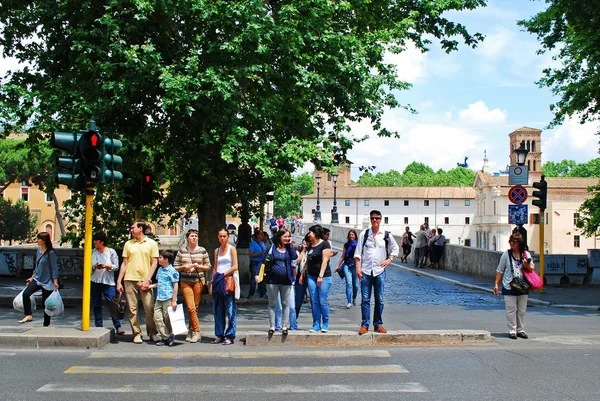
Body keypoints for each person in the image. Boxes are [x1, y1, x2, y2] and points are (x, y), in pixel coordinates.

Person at [355, 210, 399, 335]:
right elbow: (358, 253)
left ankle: (378, 324)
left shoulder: (385, 235)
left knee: (379, 299)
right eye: (373, 218)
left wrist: (389, 260)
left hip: (379, 271)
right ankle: (365, 324)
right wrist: (358, 268)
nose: (375, 220)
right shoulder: (364, 234)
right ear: (370, 219)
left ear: (380, 220)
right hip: (366, 270)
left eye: (377, 218)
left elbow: (395, 248)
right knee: (365, 299)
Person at [116, 220, 160, 344]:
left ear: (140, 228)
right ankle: (136, 333)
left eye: (133, 227)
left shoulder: (151, 243)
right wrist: (119, 281)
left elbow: (154, 263)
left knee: (149, 308)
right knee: (132, 309)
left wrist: (148, 279)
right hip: (129, 279)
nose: (131, 229)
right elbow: (124, 263)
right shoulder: (128, 244)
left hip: (145, 280)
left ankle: (152, 332)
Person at [493, 233, 534, 340]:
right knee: (511, 310)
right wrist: (496, 284)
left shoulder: (526, 254)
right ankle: (512, 330)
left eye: (514, 242)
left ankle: (521, 330)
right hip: (509, 285)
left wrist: (526, 265)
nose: (511, 243)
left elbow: (532, 268)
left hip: (523, 285)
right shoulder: (506, 254)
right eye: (510, 241)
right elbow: (500, 270)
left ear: (519, 243)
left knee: (521, 310)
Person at [174, 229, 211, 343]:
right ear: (187, 238)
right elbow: (175, 266)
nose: (194, 238)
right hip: (185, 281)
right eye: (192, 236)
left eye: (196, 236)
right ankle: (197, 331)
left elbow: (208, 266)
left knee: (195, 308)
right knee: (190, 307)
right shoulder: (182, 251)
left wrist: (198, 266)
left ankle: (191, 330)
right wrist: (184, 266)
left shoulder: (202, 250)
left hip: (198, 281)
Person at [260, 229, 298, 335]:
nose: (287, 238)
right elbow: (263, 261)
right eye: (285, 236)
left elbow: (294, 257)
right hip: (272, 280)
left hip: (286, 280)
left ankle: (284, 326)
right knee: (272, 304)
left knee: (286, 304)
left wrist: (289, 245)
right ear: (279, 237)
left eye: (288, 237)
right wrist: (258, 275)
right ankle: (272, 326)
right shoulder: (271, 248)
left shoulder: (289, 248)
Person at [19, 232, 59, 325]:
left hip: (47, 282)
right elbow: (37, 267)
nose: (37, 240)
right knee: (26, 294)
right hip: (37, 279)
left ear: (44, 241)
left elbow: (54, 269)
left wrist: (55, 282)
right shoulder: (38, 251)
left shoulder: (51, 253)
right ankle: (28, 314)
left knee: (46, 304)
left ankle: (46, 324)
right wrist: (31, 278)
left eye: (39, 239)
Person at [91, 232, 124, 334]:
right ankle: (98, 325)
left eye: (96, 241)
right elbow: (88, 266)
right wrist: (95, 267)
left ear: (101, 242)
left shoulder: (111, 252)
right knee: (96, 304)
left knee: (113, 303)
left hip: (108, 281)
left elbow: (116, 266)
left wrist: (107, 266)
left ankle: (117, 325)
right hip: (95, 280)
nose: (94, 243)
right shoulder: (92, 252)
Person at [211, 228, 239, 345]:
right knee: (218, 309)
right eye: (220, 236)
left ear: (228, 237)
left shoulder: (232, 249)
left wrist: (223, 275)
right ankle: (219, 335)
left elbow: (235, 266)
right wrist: (212, 281)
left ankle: (230, 335)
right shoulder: (216, 251)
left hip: (227, 280)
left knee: (231, 309)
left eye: (224, 236)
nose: (222, 238)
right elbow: (215, 267)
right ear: (218, 237)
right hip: (218, 281)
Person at [305, 225, 332, 333]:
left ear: (315, 233)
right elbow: (307, 262)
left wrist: (320, 276)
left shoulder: (325, 244)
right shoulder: (310, 245)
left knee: (322, 300)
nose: (309, 234)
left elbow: (325, 261)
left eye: (310, 232)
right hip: (311, 276)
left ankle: (325, 323)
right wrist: (303, 275)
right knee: (314, 301)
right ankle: (316, 323)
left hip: (323, 276)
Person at [149, 250, 179, 346]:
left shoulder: (172, 271)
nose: (159, 259)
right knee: (157, 318)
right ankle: (166, 336)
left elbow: (175, 285)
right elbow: (159, 283)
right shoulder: (160, 269)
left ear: (166, 259)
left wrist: (174, 300)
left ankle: (166, 337)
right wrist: (150, 286)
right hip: (159, 298)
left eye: (160, 257)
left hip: (168, 298)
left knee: (167, 319)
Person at [334, 230, 359, 308]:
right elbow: (343, 256)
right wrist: (337, 266)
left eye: (353, 234)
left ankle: (354, 297)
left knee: (356, 285)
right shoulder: (346, 245)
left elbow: (361, 257)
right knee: (348, 283)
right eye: (350, 235)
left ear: (355, 236)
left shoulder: (358, 244)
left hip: (355, 266)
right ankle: (349, 301)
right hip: (347, 265)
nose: (351, 236)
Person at [247, 231, 267, 300]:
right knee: (254, 279)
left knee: (262, 278)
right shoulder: (253, 243)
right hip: (255, 262)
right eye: (261, 234)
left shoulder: (262, 243)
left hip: (262, 263)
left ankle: (262, 293)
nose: (263, 235)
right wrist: (259, 254)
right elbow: (250, 254)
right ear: (257, 235)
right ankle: (251, 294)